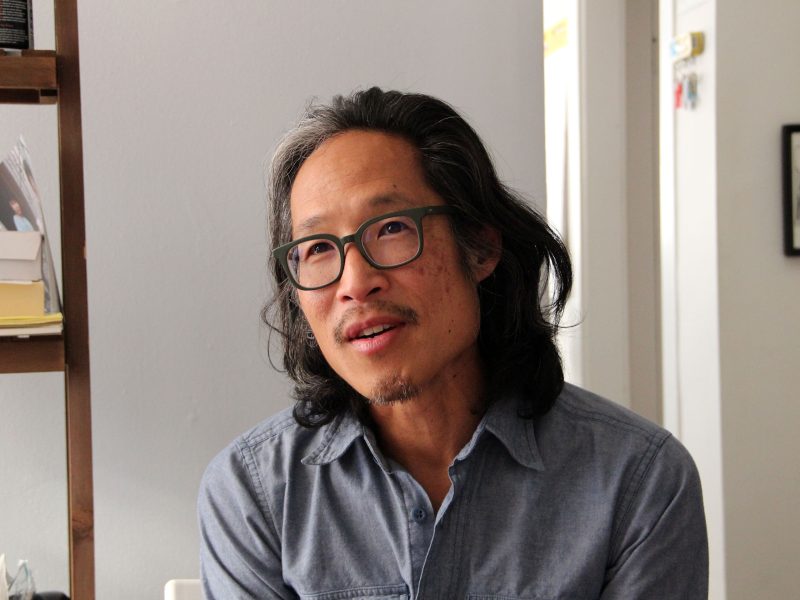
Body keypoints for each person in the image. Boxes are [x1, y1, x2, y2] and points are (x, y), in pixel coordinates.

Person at [198, 87, 708, 599]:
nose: (355, 282)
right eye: (317, 248)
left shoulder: (638, 480)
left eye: (392, 228)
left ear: (482, 248)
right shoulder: (255, 493)